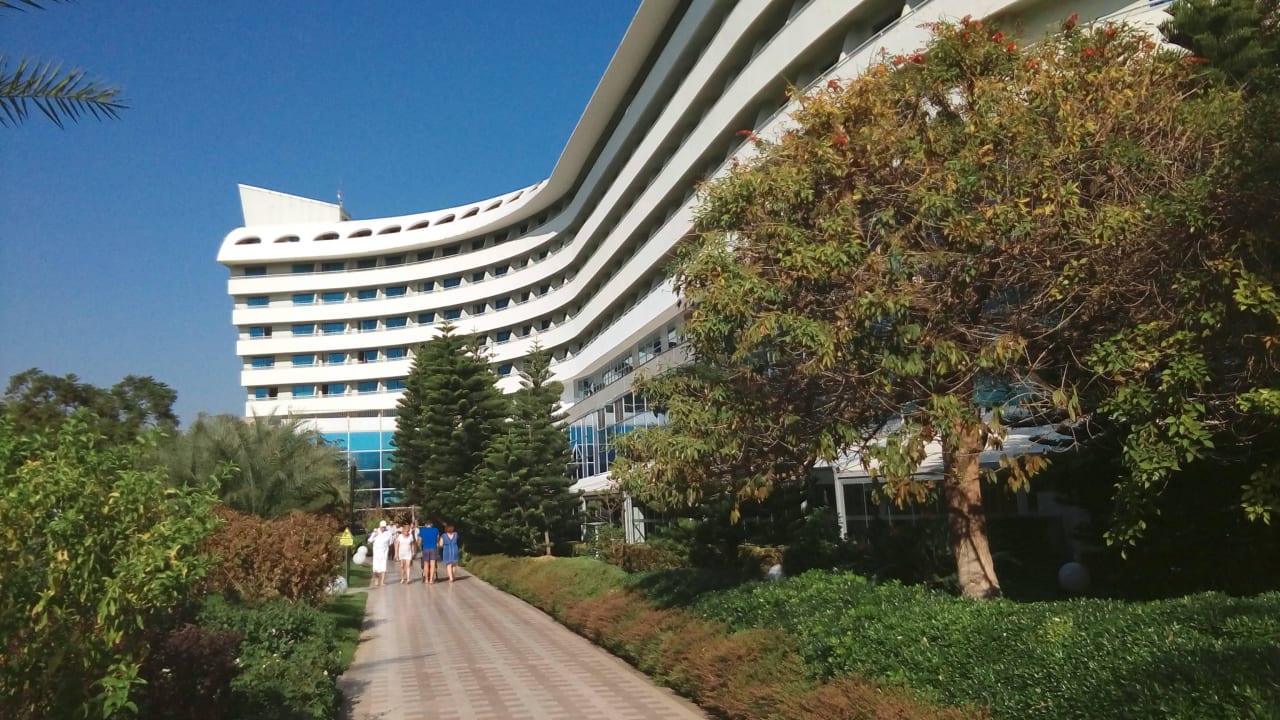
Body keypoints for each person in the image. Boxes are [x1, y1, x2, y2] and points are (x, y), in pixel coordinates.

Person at [369, 521, 392, 588]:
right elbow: (369, 540)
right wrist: (374, 535)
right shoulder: (375, 532)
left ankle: (382, 581)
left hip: (384, 553)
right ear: (379, 526)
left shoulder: (388, 533)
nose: (383, 528)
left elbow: (390, 542)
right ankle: (376, 580)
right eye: (382, 527)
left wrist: (386, 546)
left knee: (383, 567)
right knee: (376, 568)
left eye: (384, 527)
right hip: (376, 553)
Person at [418, 519, 440, 584]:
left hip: (425, 548)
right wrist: (436, 542)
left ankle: (426, 580)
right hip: (433, 548)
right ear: (431, 524)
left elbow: (419, 541)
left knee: (426, 564)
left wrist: (419, 546)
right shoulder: (436, 530)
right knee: (433, 565)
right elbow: (438, 538)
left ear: (425, 525)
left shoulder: (422, 530)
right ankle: (431, 580)